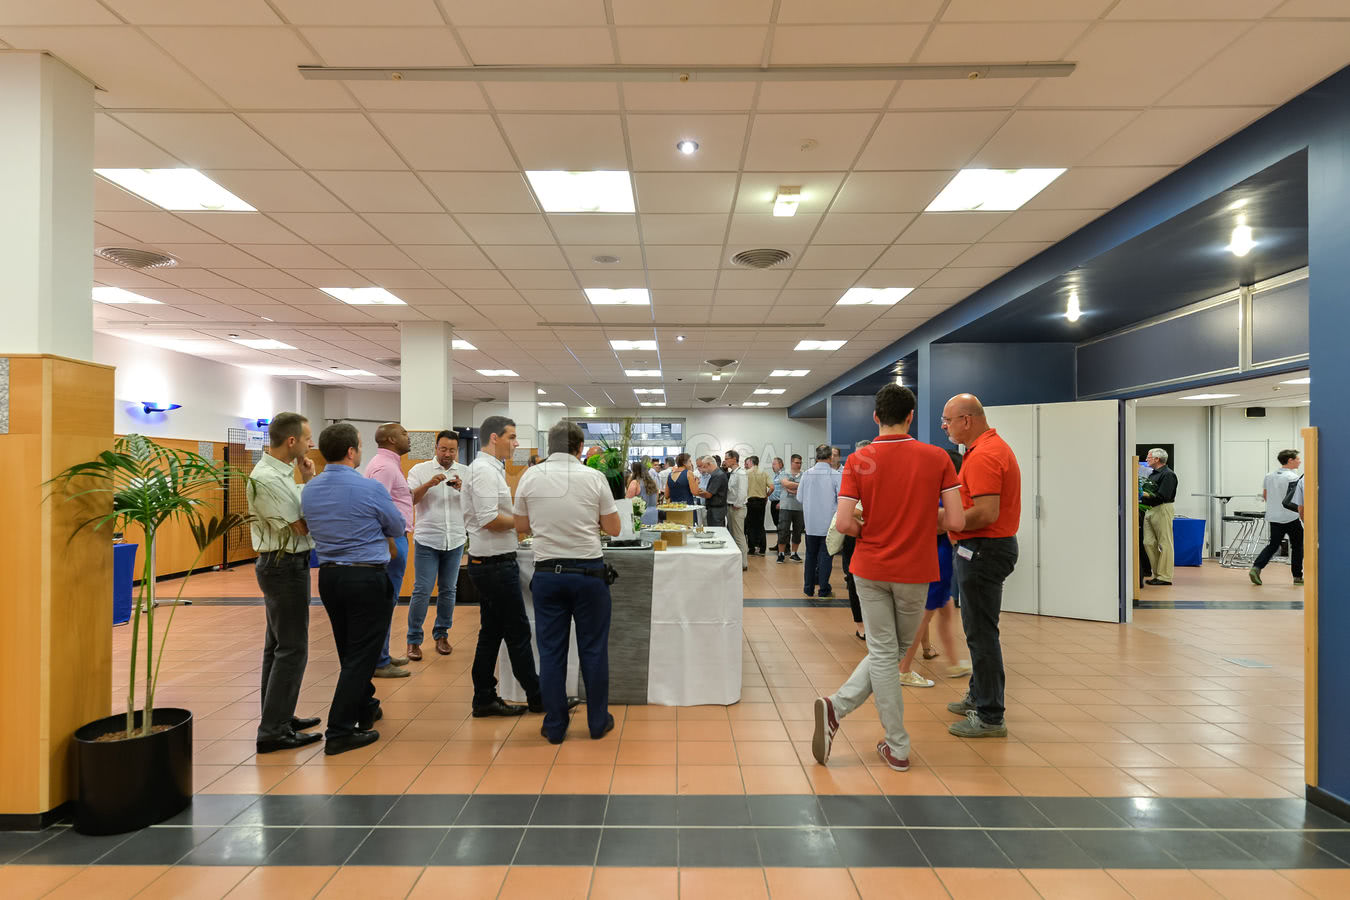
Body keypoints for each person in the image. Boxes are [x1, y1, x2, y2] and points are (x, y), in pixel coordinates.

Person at [812, 385, 963, 772]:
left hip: (870, 567)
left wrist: (874, 528)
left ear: (875, 417)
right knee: (891, 653)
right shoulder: (937, 458)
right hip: (915, 569)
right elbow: (957, 521)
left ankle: (837, 709)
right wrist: (920, 522)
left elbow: (845, 522)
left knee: (883, 650)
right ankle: (896, 744)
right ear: (912, 415)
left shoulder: (860, 460)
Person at [301, 423, 407, 755]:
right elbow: (397, 525)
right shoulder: (370, 488)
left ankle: (366, 706)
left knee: (349, 649)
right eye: (360, 446)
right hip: (366, 577)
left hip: (330, 578)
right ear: (351, 451)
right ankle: (340, 730)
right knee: (362, 655)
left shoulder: (310, 489)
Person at [514, 422, 622, 744]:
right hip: (589, 576)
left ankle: (556, 725)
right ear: (580, 447)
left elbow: (521, 525)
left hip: (547, 575)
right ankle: (597, 722)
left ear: (549, 446)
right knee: (593, 650)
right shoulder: (594, 477)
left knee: (550, 653)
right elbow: (614, 528)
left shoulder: (530, 477)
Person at [942, 393, 1021, 739]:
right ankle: (978, 696)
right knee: (978, 630)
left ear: (967, 420)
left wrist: (942, 521)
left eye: (948, 420)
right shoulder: (982, 450)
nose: (944, 426)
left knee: (981, 633)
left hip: (985, 550)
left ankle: (990, 715)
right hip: (982, 547)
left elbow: (986, 513)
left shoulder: (985, 455)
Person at [247, 412, 322, 753]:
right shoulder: (267, 478)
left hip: (288, 565)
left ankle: (278, 716)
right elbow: (300, 526)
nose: (311, 444)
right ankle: (273, 730)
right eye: (307, 438)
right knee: (292, 648)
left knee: (277, 647)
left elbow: (298, 511)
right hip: (283, 567)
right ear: (291, 441)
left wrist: (307, 480)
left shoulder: (283, 475)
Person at [465, 416, 542, 716]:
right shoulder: (484, 471)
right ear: (494, 438)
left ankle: (483, 697)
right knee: (518, 633)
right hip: (494, 565)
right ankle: (538, 697)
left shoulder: (489, 469)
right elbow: (489, 519)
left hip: (492, 562)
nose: (517, 443)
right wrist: (528, 523)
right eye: (512, 437)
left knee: (491, 633)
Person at [898, 446, 972, 686]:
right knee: (925, 614)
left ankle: (953, 661)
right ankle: (903, 668)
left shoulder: (933, 491)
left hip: (939, 554)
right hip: (936, 555)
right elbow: (943, 523)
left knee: (945, 609)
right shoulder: (942, 494)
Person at [405, 430, 468, 660]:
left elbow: (475, 503)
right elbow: (410, 498)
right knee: (422, 590)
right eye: (443, 449)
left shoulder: (465, 472)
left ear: (457, 450)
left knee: (448, 590)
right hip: (427, 539)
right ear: (436, 448)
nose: (447, 454)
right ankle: (413, 640)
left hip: (455, 539)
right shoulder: (419, 470)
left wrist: (463, 488)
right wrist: (429, 484)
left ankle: (442, 635)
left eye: (452, 450)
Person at [364, 422, 413, 678]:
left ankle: (381, 654)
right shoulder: (385, 466)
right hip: (391, 540)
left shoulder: (389, 464)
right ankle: (379, 662)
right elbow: (376, 506)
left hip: (395, 537)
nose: (408, 437)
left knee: (387, 601)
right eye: (404, 433)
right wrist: (389, 541)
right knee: (384, 602)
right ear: (391, 439)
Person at [1251, 449, 1304, 586]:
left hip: (1274, 517)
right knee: (1297, 546)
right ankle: (1297, 577)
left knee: (1273, 545)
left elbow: (1265, 495)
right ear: (1290, 460)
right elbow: (1297, 499)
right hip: (1291, 517)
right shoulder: (1293, 477)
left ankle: (1257, 567)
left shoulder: (1269, 476)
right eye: (1298, 459)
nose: (1300, 461)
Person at [837, 440, 871, 641]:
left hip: (874, 534)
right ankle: (860, 625)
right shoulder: (851, 477)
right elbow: (849, 512)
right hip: (856, 534)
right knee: (853, 579)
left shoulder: (879, 476)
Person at [799, 445, 842, 599]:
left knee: (810, 556)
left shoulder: (806, 474)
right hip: (828, 524)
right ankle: (824, 590)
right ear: (831, 458)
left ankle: (808, 588)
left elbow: (799, 498)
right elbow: (842, 499)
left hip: (810, 523)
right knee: (825, 556)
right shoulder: (836, 474)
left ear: (816, 457)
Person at [1140, 448, 1178, 587]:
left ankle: (1165, 577)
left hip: (1162, 509)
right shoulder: (1152, 475)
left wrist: (1143, 494)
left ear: (1157, 459)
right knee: (1148, 543)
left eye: (1149, 457)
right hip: (1150, 510)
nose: (1147, 459)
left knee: (1165, 543)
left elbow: (1164, 496)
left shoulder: (1168, 475)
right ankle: (1157, 574)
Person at [776, 454, 805, 563]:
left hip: (799, 508)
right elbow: (785, 483)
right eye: (797, 462)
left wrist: (791, 486)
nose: (799, 464)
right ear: (791, 462)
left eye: (800, 463)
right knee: (783, 530)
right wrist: (799, 485)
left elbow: (802, 487)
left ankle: (794, 553)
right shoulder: (784, 473)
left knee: (798, 531)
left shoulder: (804, 475)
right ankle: (781, 554)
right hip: (786, 507)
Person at [724, 449, 749, 570]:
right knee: (733, 534)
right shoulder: (733, 473)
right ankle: (737, 561)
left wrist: (737, 504)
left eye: (727, 458)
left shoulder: (741, 473)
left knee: (739, 535)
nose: (725, 461)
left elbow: (742, 492)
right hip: (731, 506)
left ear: (734, 459)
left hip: (737, 508)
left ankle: (743, 563)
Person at [745, 456, 772, 556]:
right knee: (760, 525)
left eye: (748, 462)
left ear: (751, 462)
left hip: (750, 501)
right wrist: (766, 496)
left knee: (750, 525)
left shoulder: (746, 473)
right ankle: (762, 549)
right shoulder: (764, 473)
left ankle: (751, 549)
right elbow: (772, 487)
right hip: (761, 502)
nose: (747, 464)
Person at [694, 455, 729, 526]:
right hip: (714, 509)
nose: (703, 469)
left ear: (709, 464)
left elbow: (708, 494)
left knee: (716, 532)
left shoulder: (717, 475)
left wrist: (695, 491)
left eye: (704, 467)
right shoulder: (716, 474)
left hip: (716, 510)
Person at [769, 457, 785, 532]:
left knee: (781, 525)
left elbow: (785, 490)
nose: (773, 466)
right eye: (772, 464)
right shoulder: (776, 475)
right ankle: (779, 543)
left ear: (780, 465)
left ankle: (785, 543)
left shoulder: (784, 475)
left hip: (779, 503)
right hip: (774, 503)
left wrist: (781, 502)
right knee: (777, 524)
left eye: (774, 464)